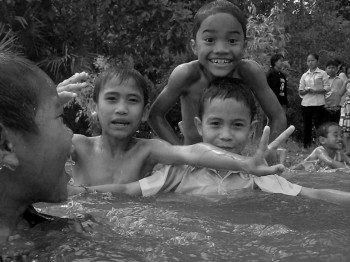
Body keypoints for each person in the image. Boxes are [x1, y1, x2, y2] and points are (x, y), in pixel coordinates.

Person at [73, 78, 350, 207]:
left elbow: (312, 194)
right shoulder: (176, 173)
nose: (226, 135)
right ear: (199, 127)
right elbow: (126, 189)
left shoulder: (258, 177)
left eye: (237, 126)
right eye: (216, 124)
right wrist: (81, 193)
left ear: (252, 130)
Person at [68, 67, 286, 191]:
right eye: (112, 99)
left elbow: (193, 152)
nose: (122, 109)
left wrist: (245, 163)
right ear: (94, 107)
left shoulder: (149, 150)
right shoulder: (77, 145)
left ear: (145, 112)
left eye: (132, 100)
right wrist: (50, 108)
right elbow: (36, 147)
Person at [148, 0, 286, 146]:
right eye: (209, 40)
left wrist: (266, 152)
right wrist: (179, 153)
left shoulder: (249, 73)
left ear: (244, 46)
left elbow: (278, 117)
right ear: (194, 46)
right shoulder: (186, 75)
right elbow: (155, 115)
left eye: (232, 40)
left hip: (233, 162)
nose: (221, 49)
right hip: (195, 163)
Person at [0, 51, 89, 244]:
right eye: (61, 119)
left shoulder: (58, 232)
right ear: (5, 146)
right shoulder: (58, 238)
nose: (70, 134)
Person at [299, 53, 330, 149]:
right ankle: (306, 145)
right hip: (306, 103)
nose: (310, 63)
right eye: (308, 61)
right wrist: (306, 91)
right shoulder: (305, 75)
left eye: (312, 60)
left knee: (319, 125)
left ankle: (321, 145)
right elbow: (300, 90)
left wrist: (316, 91)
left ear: (317, 61)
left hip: (318, 102)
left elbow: (327, 88)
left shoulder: (322, 73)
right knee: (306, 125)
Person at [339, 64, 350, 153]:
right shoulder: (347, 83)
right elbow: (340, 93)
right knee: (346, 131)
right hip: (347, 108)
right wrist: (345, 83)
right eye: (349, 73)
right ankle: (347, 150)